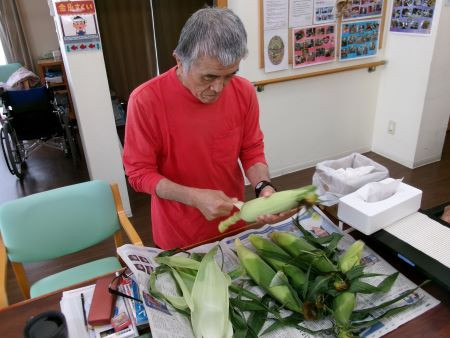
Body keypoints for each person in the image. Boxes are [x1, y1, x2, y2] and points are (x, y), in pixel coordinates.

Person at [123, 8, 285, 249]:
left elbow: (251, 149)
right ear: (179, 60)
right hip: (178, 234)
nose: (219, 88)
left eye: (229, 75)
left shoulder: (244, 92)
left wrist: (264, 187)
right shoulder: (146, 100)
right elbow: (138, 174)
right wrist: (192, 197)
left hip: (233, 224)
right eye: (208, 77)